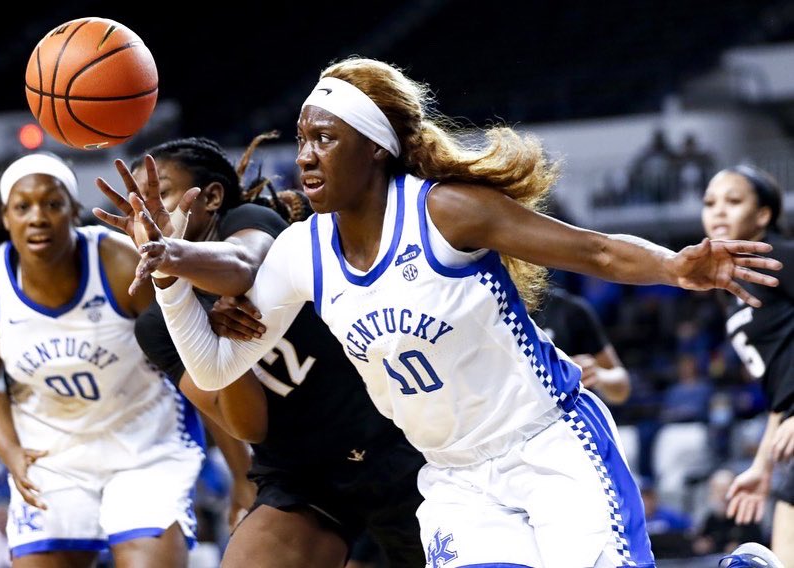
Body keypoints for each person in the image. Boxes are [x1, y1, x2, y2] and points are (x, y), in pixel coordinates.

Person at [100, 58, 781, 568]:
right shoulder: (302, 252)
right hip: (454, 476)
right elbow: (215, 368)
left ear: (374, 147)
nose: (305, 155)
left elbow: (594, 251)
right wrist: (167, 274)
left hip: (547, 441)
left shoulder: (443, 212)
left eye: (325, 139)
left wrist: (674, 266)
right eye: (303, 139)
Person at [96, 136, 425, 568]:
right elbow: (248, 425)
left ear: (212, 198)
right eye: (136, 203)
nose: (146, 212)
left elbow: (243, 266)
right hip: (301, 473)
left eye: (161, 194)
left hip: (391, 438)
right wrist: (220, 344)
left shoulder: (252, 221)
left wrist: (174, 255)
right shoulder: (157, 326)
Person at [0, 153, 204, 566]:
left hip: (145, 445)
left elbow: (192, 356)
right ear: (6, 218)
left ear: (74, 211)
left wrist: (240, 473)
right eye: (23, 207)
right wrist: (10, 451)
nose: (38, 217)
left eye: (52, 204)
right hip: (51, 457)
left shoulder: (120, 261)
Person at [700, 164, 794, 567]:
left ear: (763, 215)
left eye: (733, 200)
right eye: (710, 203)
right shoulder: (733, 288)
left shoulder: (780, 257)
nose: (718, 211)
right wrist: (762, 466)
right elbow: (781, 390)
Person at [532, 287, 631, 404]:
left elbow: (622, 387)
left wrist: (597, 374)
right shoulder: (511, 318)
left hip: (565, 411)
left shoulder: (568, 309)